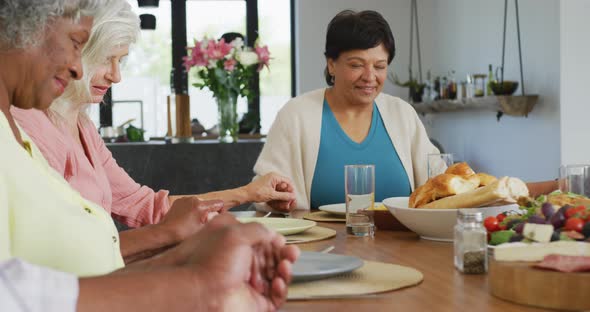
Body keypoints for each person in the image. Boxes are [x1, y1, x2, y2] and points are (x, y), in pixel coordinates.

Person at [0, 0, 297, 310]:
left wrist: (195, 259)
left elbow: (138, 211)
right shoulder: (27, 122)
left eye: (120, 61)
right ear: (24, 31)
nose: (116, 76)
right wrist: (187, 267)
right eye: (80, 46)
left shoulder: (80, 127)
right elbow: (33, 276)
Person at [254, 10, 439, 210]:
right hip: (321, 240)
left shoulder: (403, 114)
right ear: (331, 64)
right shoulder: (296, 115)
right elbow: (264, 191)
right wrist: (276, 201)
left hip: (403, 241)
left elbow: (441, 183)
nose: (370, 76)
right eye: (356, 65)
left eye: (379, 66)